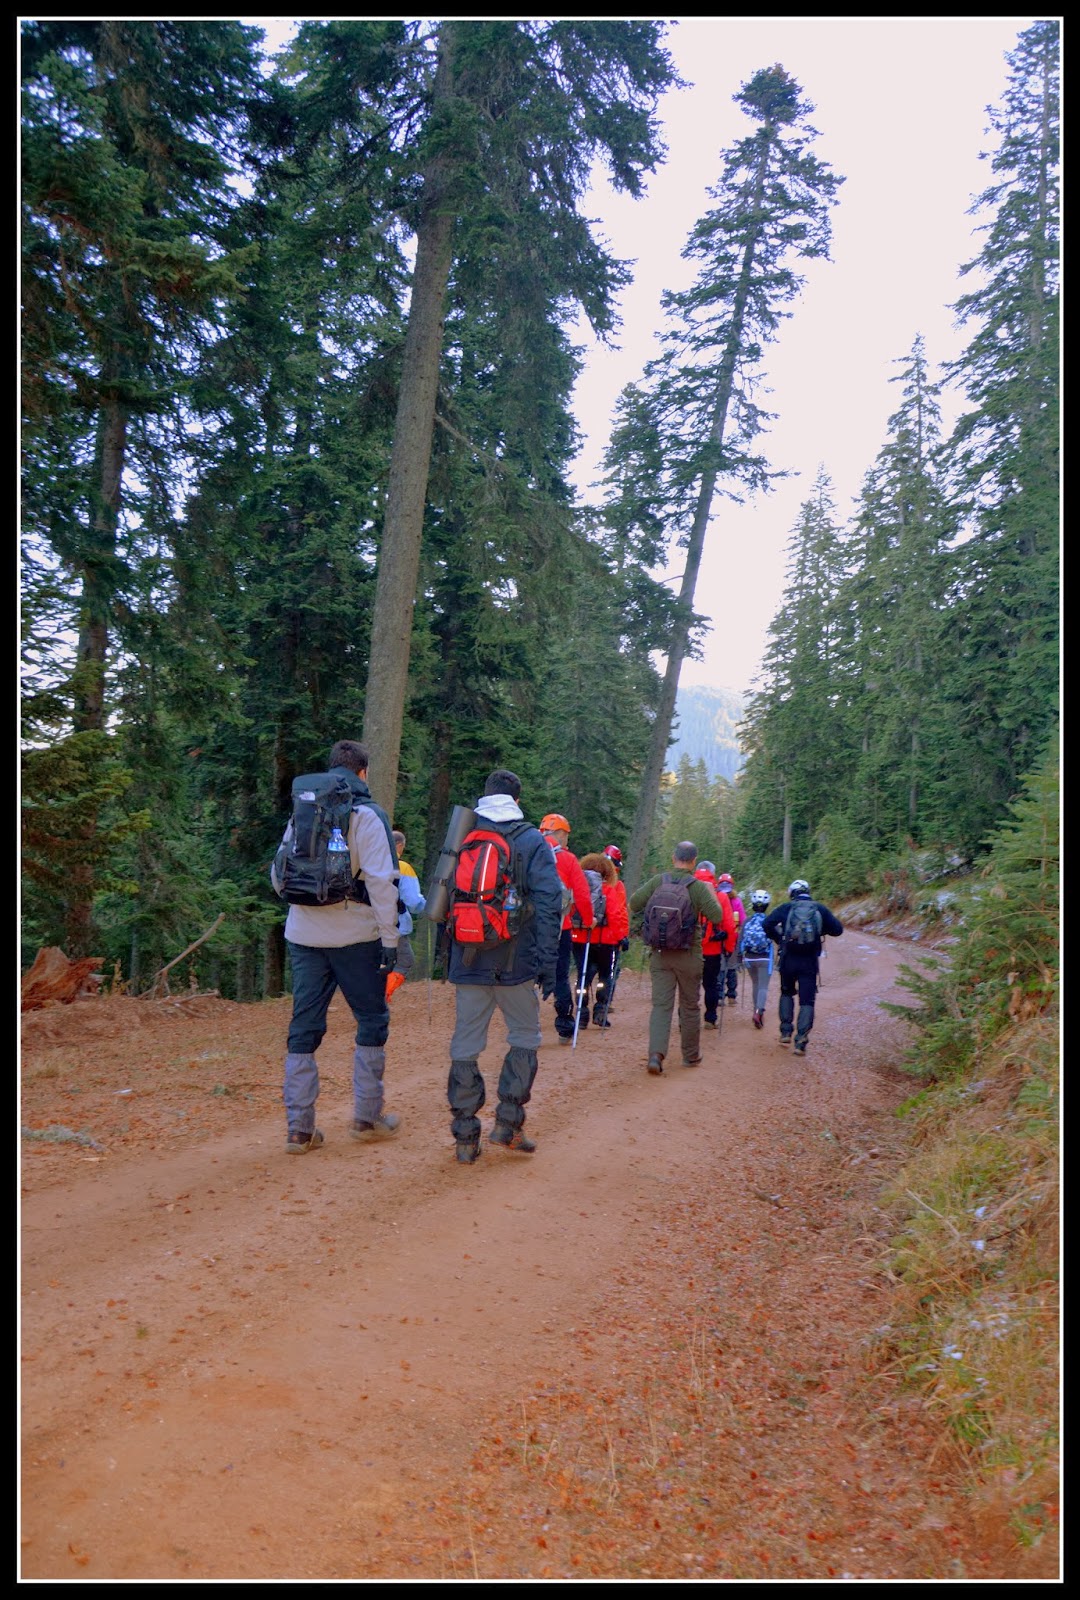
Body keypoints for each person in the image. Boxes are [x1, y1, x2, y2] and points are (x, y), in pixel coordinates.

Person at [275, 739, 401, 1154]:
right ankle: (367, 1118)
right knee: (371, 1019)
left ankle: (299, 1130)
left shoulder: (303, 810)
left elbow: (279, 875)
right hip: (355, 938)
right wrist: (390, 939)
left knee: (304, 1027)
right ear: (363, 773)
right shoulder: (367, 815)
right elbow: (382, 883)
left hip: (303, 935)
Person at [448, 771, 563, 1163]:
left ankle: (465, 1138)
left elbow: (445, 896)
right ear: (517, 799)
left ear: (486, 796)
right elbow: (549, 905)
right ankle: (508, 1125)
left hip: (467, 959)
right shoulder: (531, 840)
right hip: (515, 963)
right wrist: (548, 963)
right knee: (525, 1036)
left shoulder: (462, 833)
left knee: (466, 1044)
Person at [629, 840, 730, 1076]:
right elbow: (717, 916)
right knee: (689, 1006)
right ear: (694, 862)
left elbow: (634, 903)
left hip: (660, 954)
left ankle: (656, 1055)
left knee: (661, 1006)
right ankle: (690, 1055)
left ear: (673, 858)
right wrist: (710, 894)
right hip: (689, 954)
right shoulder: (698, 887)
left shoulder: (658, 881)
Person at [762, 878, 844, 1054]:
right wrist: (819, 930)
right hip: (809, 962)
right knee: (807, 1000)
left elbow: (766, 924)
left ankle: (785, 1032)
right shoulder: (819, 908)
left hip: (788, 959)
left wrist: (780, 939)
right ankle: (801, 1041)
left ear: (792, 893)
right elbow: (838, 930)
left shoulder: (786, 908)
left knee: (786, 993)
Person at [539, 813, 595, 1043]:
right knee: (560, 976)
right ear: (560, 833)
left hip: (530, 927)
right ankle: (564, 1026)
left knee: (527, 977)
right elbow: (581, 894)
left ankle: (527, 1029)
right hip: (560, 927)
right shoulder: (568, 859)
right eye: (566, 834)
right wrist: (589, 919)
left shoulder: (528, 853)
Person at [571, 852, 630, 1028]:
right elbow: (615, 916)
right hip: (605, 941)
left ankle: (581, 1014)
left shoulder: (577, 889)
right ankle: (600, 1011)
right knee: (605, 976)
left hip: (580, 939)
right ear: (607, 872)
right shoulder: (609, 890)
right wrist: (621, 938)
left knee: (583, 976)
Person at [693, 861, 737, 1028]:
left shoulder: (687, 890)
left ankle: (686, 1020)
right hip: (712, 950)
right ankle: (710, 1019)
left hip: (690, 949)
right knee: (711, 985)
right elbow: (729, 926)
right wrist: (729, 948)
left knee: (689, 986)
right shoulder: (721, 896)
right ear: (713, 874)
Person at [391, 828, 426, 980]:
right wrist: (428, 908)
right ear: (399, 845)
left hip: (366, 925)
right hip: (394, 925)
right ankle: (383, 992)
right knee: (405, 961)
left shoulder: (368, 864)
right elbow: (413, 902)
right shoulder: (403, 868)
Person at [740, 889, 774, 1029]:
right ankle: (759, 1012)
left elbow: (740, 940)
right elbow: (776, 937)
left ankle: (756, 1010)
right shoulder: (770, 921)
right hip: (765, 958)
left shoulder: (747, 921)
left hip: (749, 958)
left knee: (755, 984)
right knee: (763, 986)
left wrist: (737, 958)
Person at [602, 845, 630, 1013]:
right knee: (610, 971)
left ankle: (582, 1003)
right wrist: (623, 936)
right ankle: (604, 1003)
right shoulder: (617, 886)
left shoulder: (588, 881)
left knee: (586, 971)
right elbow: (620, 913)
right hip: (611, 937)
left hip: (587, 934)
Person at [716, 872, 745, 1004]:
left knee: (721, 967)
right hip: (734, 937)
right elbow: (743, 920)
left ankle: (720, 995)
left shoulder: (716, 899)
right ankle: (732, 995)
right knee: (732, 966)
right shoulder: (737, 901)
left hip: (719, 937)